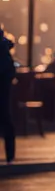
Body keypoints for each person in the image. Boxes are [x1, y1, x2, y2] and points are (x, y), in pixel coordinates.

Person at [1, 26, 16, 163]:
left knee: (5, 117)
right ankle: (10, 155)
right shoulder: (5, 49)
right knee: (6, 117)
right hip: (4, 86)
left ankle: (10, 155)